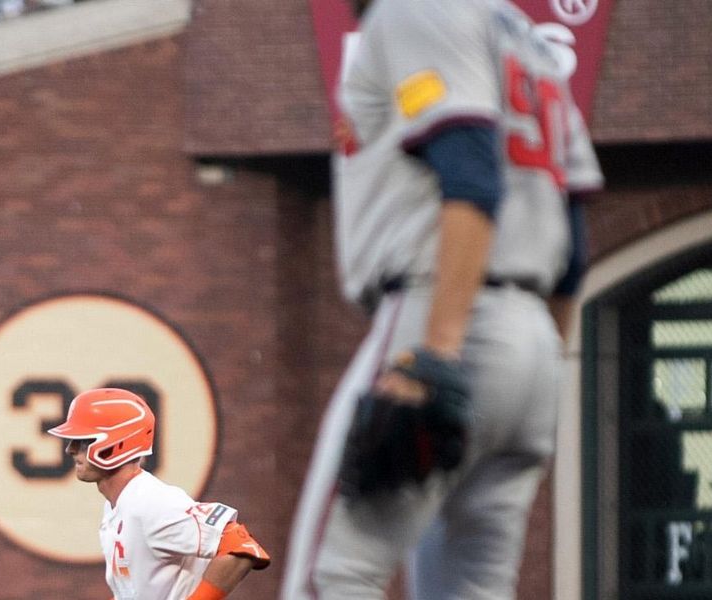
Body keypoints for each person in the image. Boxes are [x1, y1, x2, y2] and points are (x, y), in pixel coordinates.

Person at [281, 0, 603, 598]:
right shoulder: (525, 37)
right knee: (472, 590)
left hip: (445, 315)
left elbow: (471, 178)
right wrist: (540, 365)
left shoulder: (414, 9)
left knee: (334, 576)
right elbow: (576, 247)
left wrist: (438, 351)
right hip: (534, 341)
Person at [48, 387, 270, 600]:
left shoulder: (150, 502)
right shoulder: (118, 505)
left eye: (83, 440)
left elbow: (241, 546)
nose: (71, 449)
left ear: (115, 444)